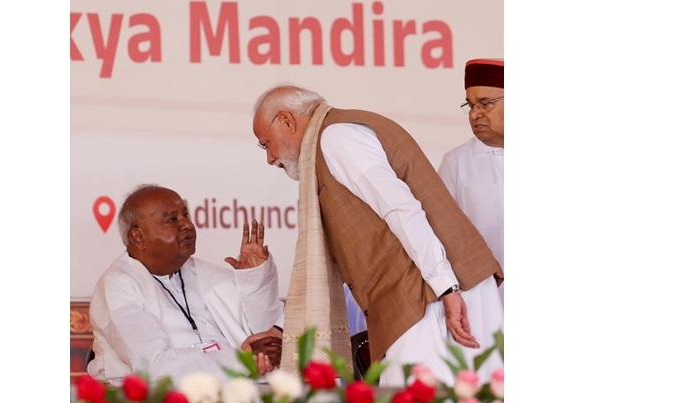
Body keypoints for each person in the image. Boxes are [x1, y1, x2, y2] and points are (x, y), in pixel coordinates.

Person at [249, 85, 502, 386]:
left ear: (287, 121)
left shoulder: (336, 137)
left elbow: (400, 208)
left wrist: (446, 288)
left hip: (435, 294)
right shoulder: (333, 138)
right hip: (429, 292)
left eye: (266, 144)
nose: (270, 158)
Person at [86, 184, 284, 383]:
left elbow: (265, 334)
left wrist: (254, 279)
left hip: (232, 388)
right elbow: (155, 367)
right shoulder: (119, 285)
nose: (187, 225)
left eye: (186, 215)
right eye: (172, 220)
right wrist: (242, 360)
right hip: (157, 398)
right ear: (138, 237)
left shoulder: (205, 273)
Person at [438, 59, 504, 288]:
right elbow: (441, 235)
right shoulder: (456, 162)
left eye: (485, 104)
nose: (475, 114)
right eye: (471, 105)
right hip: (486, 296)